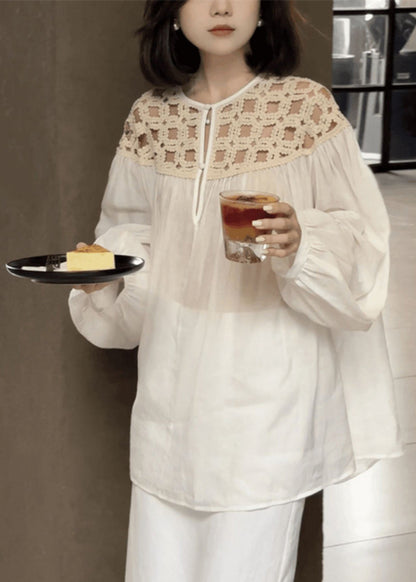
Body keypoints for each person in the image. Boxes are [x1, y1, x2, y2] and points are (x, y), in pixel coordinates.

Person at [69, 1, 404, 581]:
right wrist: (106, 271)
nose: (222, 6)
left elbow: (361, 237)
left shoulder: (304, 109)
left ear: (264, 10)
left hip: (271, 393)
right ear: (173, 14)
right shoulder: (151, 119)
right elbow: (127, 231)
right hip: (171, 393)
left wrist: (301, 242)